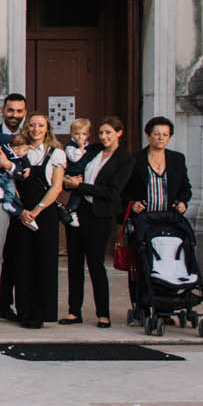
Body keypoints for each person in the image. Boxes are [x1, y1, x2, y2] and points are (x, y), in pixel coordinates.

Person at [62, 116, 135, 328]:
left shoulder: (125, 159)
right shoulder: (92, 150)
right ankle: (74, 311)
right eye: (101, 133)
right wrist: (69, 184)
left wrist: (80, 187)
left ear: (119, 133)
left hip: (100, 215)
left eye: (108, 133)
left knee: (95, 264)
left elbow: (113, 192)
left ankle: (103, 313)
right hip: (79, 210)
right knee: (74, 263)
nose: (103, 137)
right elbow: (75, 171)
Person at [0, 115, 67, 330]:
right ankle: (24, 311)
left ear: (47, 129)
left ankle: (41, 311)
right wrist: (20, 210)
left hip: (44, 213)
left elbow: (56, 187)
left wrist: (36, 210)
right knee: (22, 262)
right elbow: (10, 181)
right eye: (32, 125)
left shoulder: (56, 153)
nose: (36, 129)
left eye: (40, 125)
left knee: (44, 261)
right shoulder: (19, 151)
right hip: (21, 212)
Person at [124, 116, 192, 217]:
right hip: (143, 218)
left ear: (169, 137)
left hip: (171, 217)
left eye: (165, 135)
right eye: (156, 134)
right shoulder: (134, 159)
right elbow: (123, 190)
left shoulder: (177, 159)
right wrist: (133, 205)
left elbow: (185, 187)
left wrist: (183, 203)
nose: (161, 138)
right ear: (148, 135)